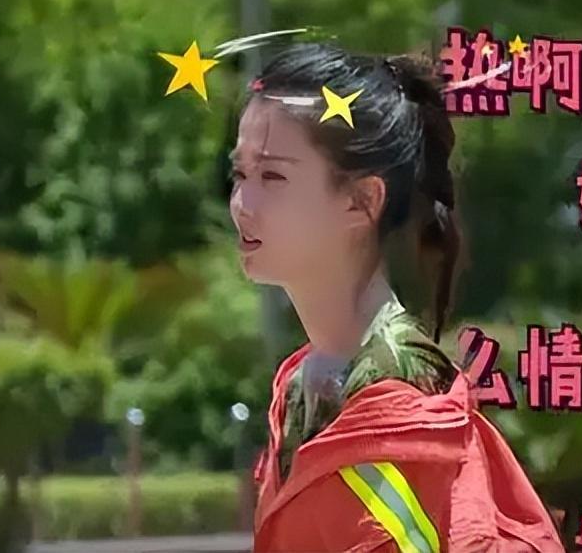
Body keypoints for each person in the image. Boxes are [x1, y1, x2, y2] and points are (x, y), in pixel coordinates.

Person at [229, 41, 563, 552]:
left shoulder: (397, 386)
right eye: (240, 173)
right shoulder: (304, 382)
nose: (241, 203)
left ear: (362, 200)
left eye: (272, 176)